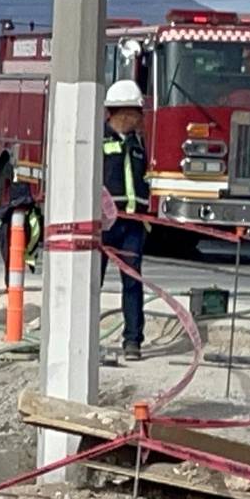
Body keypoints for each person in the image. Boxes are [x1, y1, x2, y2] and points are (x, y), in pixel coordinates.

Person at [101, 79, 150, 361]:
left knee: (132, 282)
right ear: (124, 113)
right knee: (92, 282)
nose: (140, 120)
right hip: (105, 226)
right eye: (137, 114)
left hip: (132, 225)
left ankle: (133, 341)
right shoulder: (100, 139)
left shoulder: (137, 144)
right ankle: (86, 336)